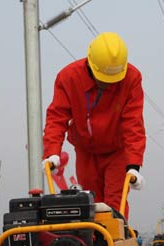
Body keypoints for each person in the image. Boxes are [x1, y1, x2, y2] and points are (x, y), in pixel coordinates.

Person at [41, 32, 146, 219]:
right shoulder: (69, 78)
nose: (106, 84)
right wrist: (52, 153)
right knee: (90, 202)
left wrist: (133, 166)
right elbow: (57, 117)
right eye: (103, 78)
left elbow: (133, 124)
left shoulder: (131, 79)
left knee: (114, 204)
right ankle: (92, 245)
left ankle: (114, 242)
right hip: (86, 151)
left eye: (111, 80)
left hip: (117, 151)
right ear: (90, 64)